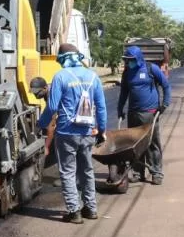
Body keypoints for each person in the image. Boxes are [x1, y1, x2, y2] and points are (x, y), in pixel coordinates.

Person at [38, 43, 107, 224]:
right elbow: (101, 107)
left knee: (68, 172)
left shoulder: (60, 77)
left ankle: (74, 211)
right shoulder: (93, 76)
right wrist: (102, 130)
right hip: (87, 132)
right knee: (87, 170)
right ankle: (91, 209)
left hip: (66, 133)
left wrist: (41, 124)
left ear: (63, 59)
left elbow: (52, 107)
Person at [117, 45, 171, 185]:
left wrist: (165, 104)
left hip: (150, 113)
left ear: (138, 58)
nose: (129, 62)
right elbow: (123, 93)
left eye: (131, 59)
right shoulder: (127, 72)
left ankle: (156, 173)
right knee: (135, 144)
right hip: (133, 113)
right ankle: (137, 172)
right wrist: (120, 109)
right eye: (127, 60)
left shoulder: (151, 69)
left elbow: (166, 85)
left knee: (152, 144)